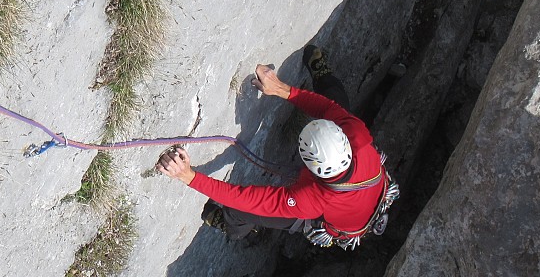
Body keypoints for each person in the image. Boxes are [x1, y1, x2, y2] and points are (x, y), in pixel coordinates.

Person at [155, 46, 395, 250]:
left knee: (246, 211)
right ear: (343, 140)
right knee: (337, 105)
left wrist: (188, 176)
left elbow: (248, 199)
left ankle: (231, 227)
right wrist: (280, 88)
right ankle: (323, 76)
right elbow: (326, 109)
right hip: (371, 188)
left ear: (310, 170)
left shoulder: (310, 199)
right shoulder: (357, 136)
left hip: (339, 220)